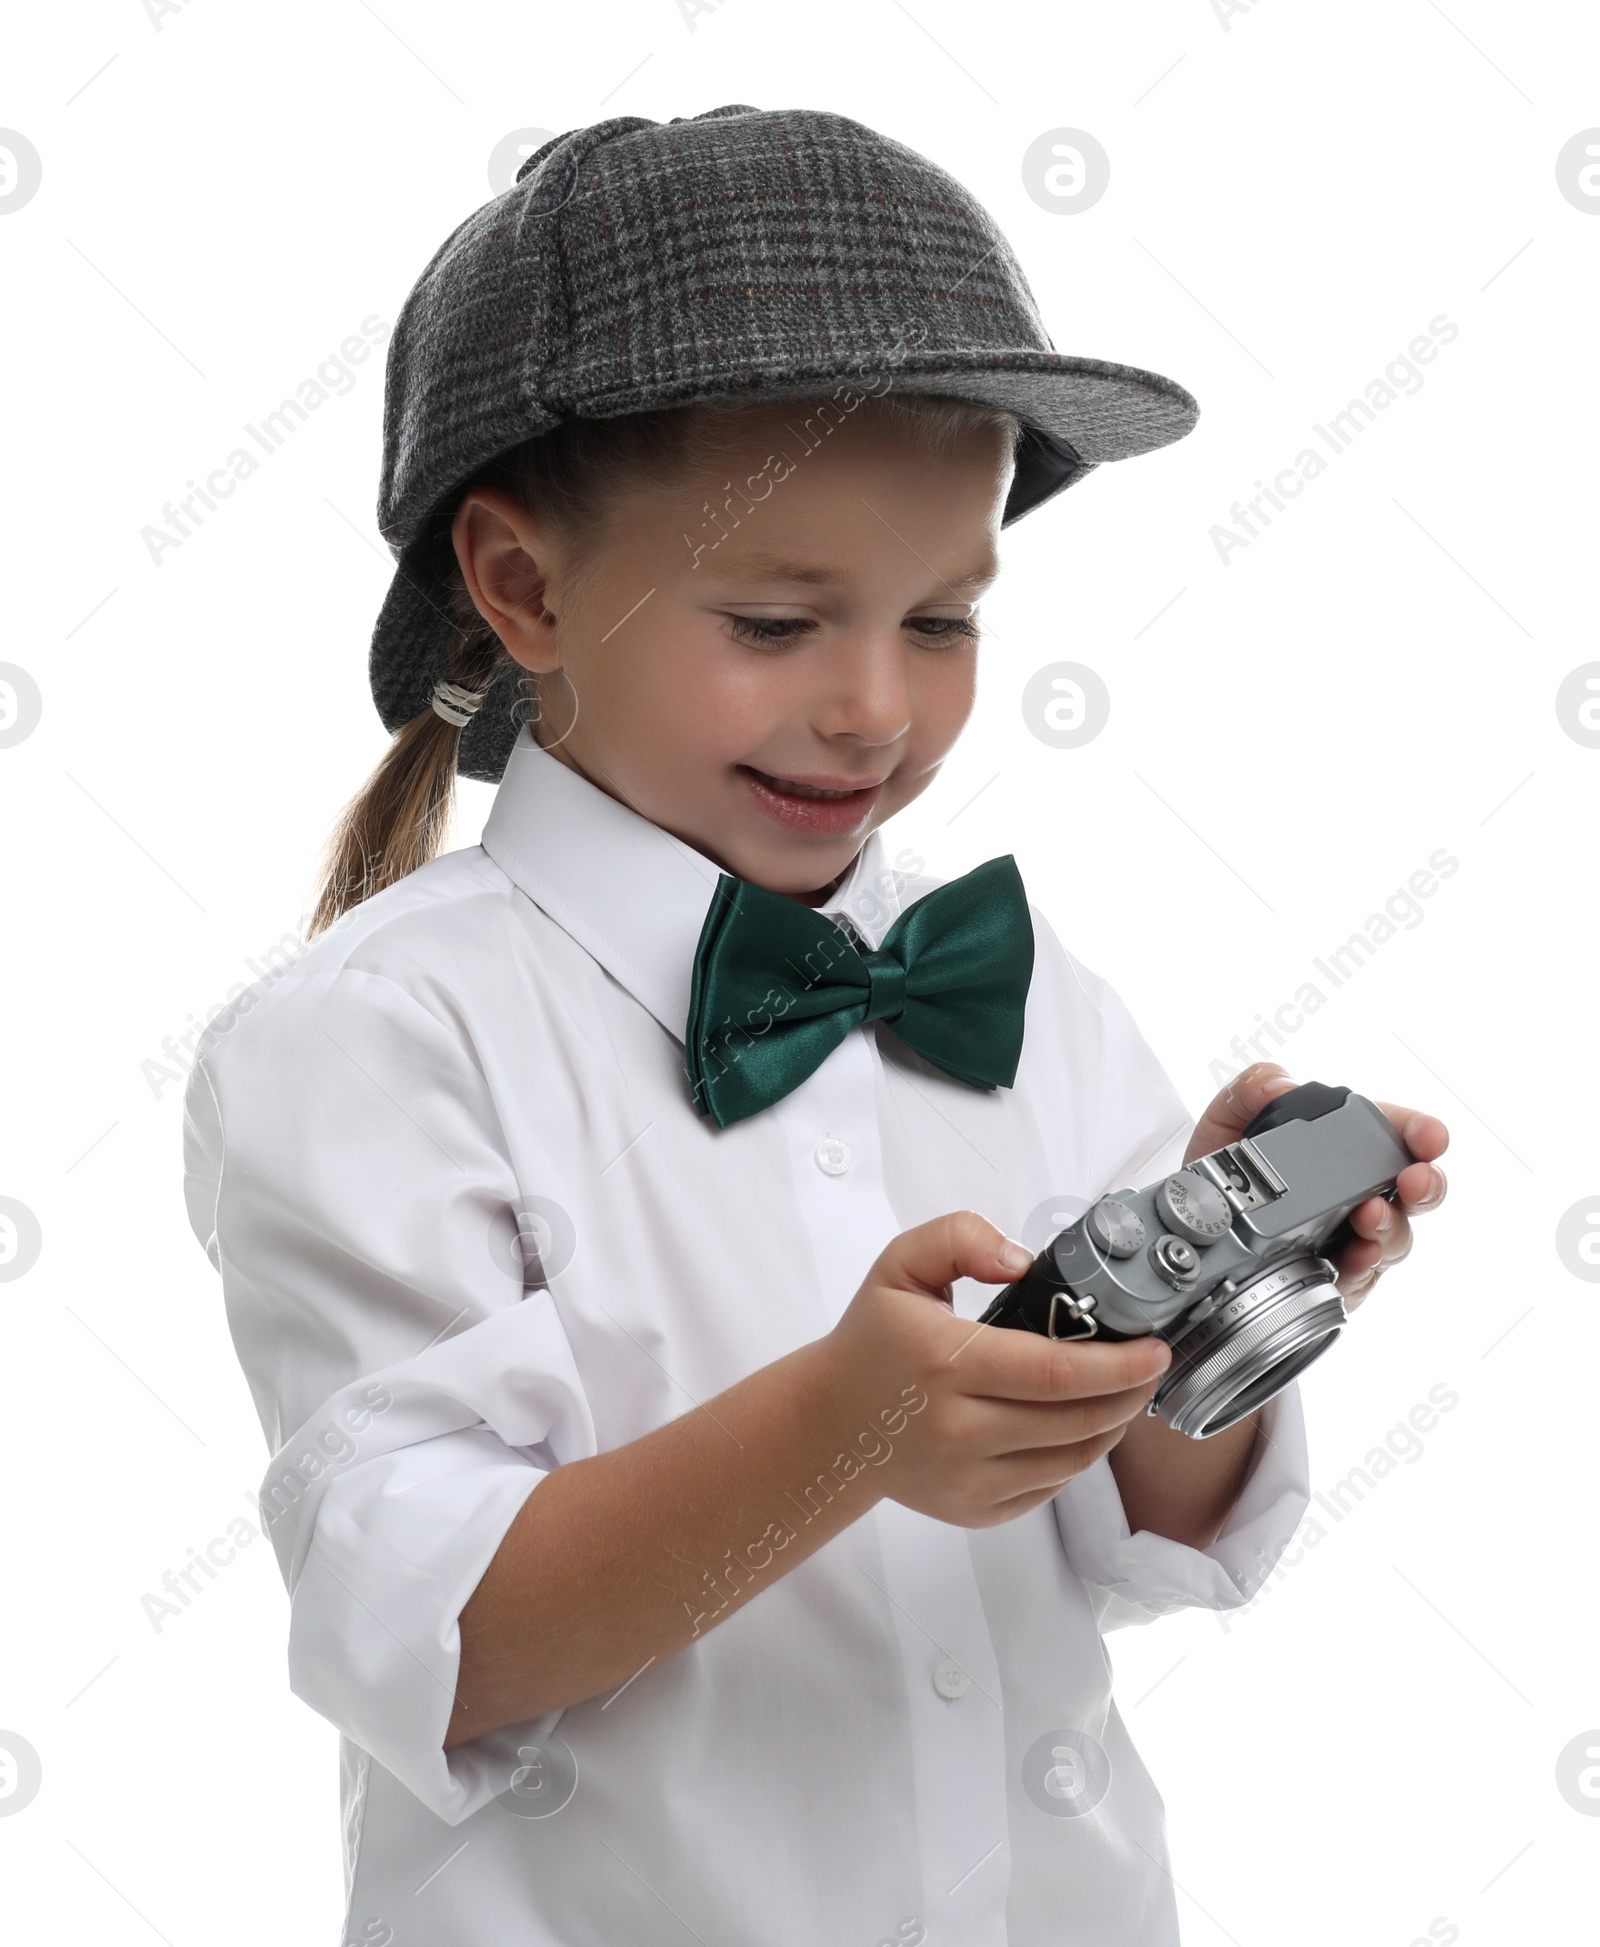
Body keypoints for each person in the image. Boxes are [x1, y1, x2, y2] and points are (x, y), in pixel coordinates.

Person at [181, 105, 1448, 1947]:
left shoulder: (1026, 991)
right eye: (777, 622)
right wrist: (837, 1436)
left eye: (942, 619)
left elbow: (1146, 1525)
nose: (875, 709)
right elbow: (435, 1633)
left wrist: (1192, 1311)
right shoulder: (381, 1041)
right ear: (526, 588)